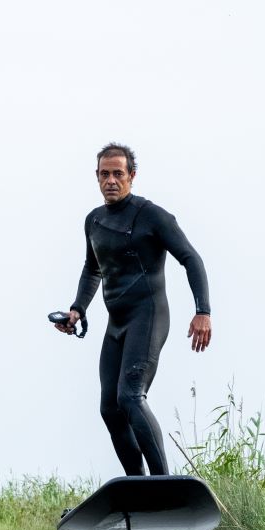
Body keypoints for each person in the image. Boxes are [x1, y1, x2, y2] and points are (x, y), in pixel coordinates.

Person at [56, 143, 211, 475]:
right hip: (117, 324)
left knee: (130, 397)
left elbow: (191, 258)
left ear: (132, 176)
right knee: (109, 409)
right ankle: (137, 485)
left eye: (118, 174)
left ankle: (162, 482)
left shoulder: (152, 216)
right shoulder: (94, 221)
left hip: (148, 316)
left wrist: (203, 311)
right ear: (96, 177)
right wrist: (77, 309)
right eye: (104, 174)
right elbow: (92, 268)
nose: (111, 180)